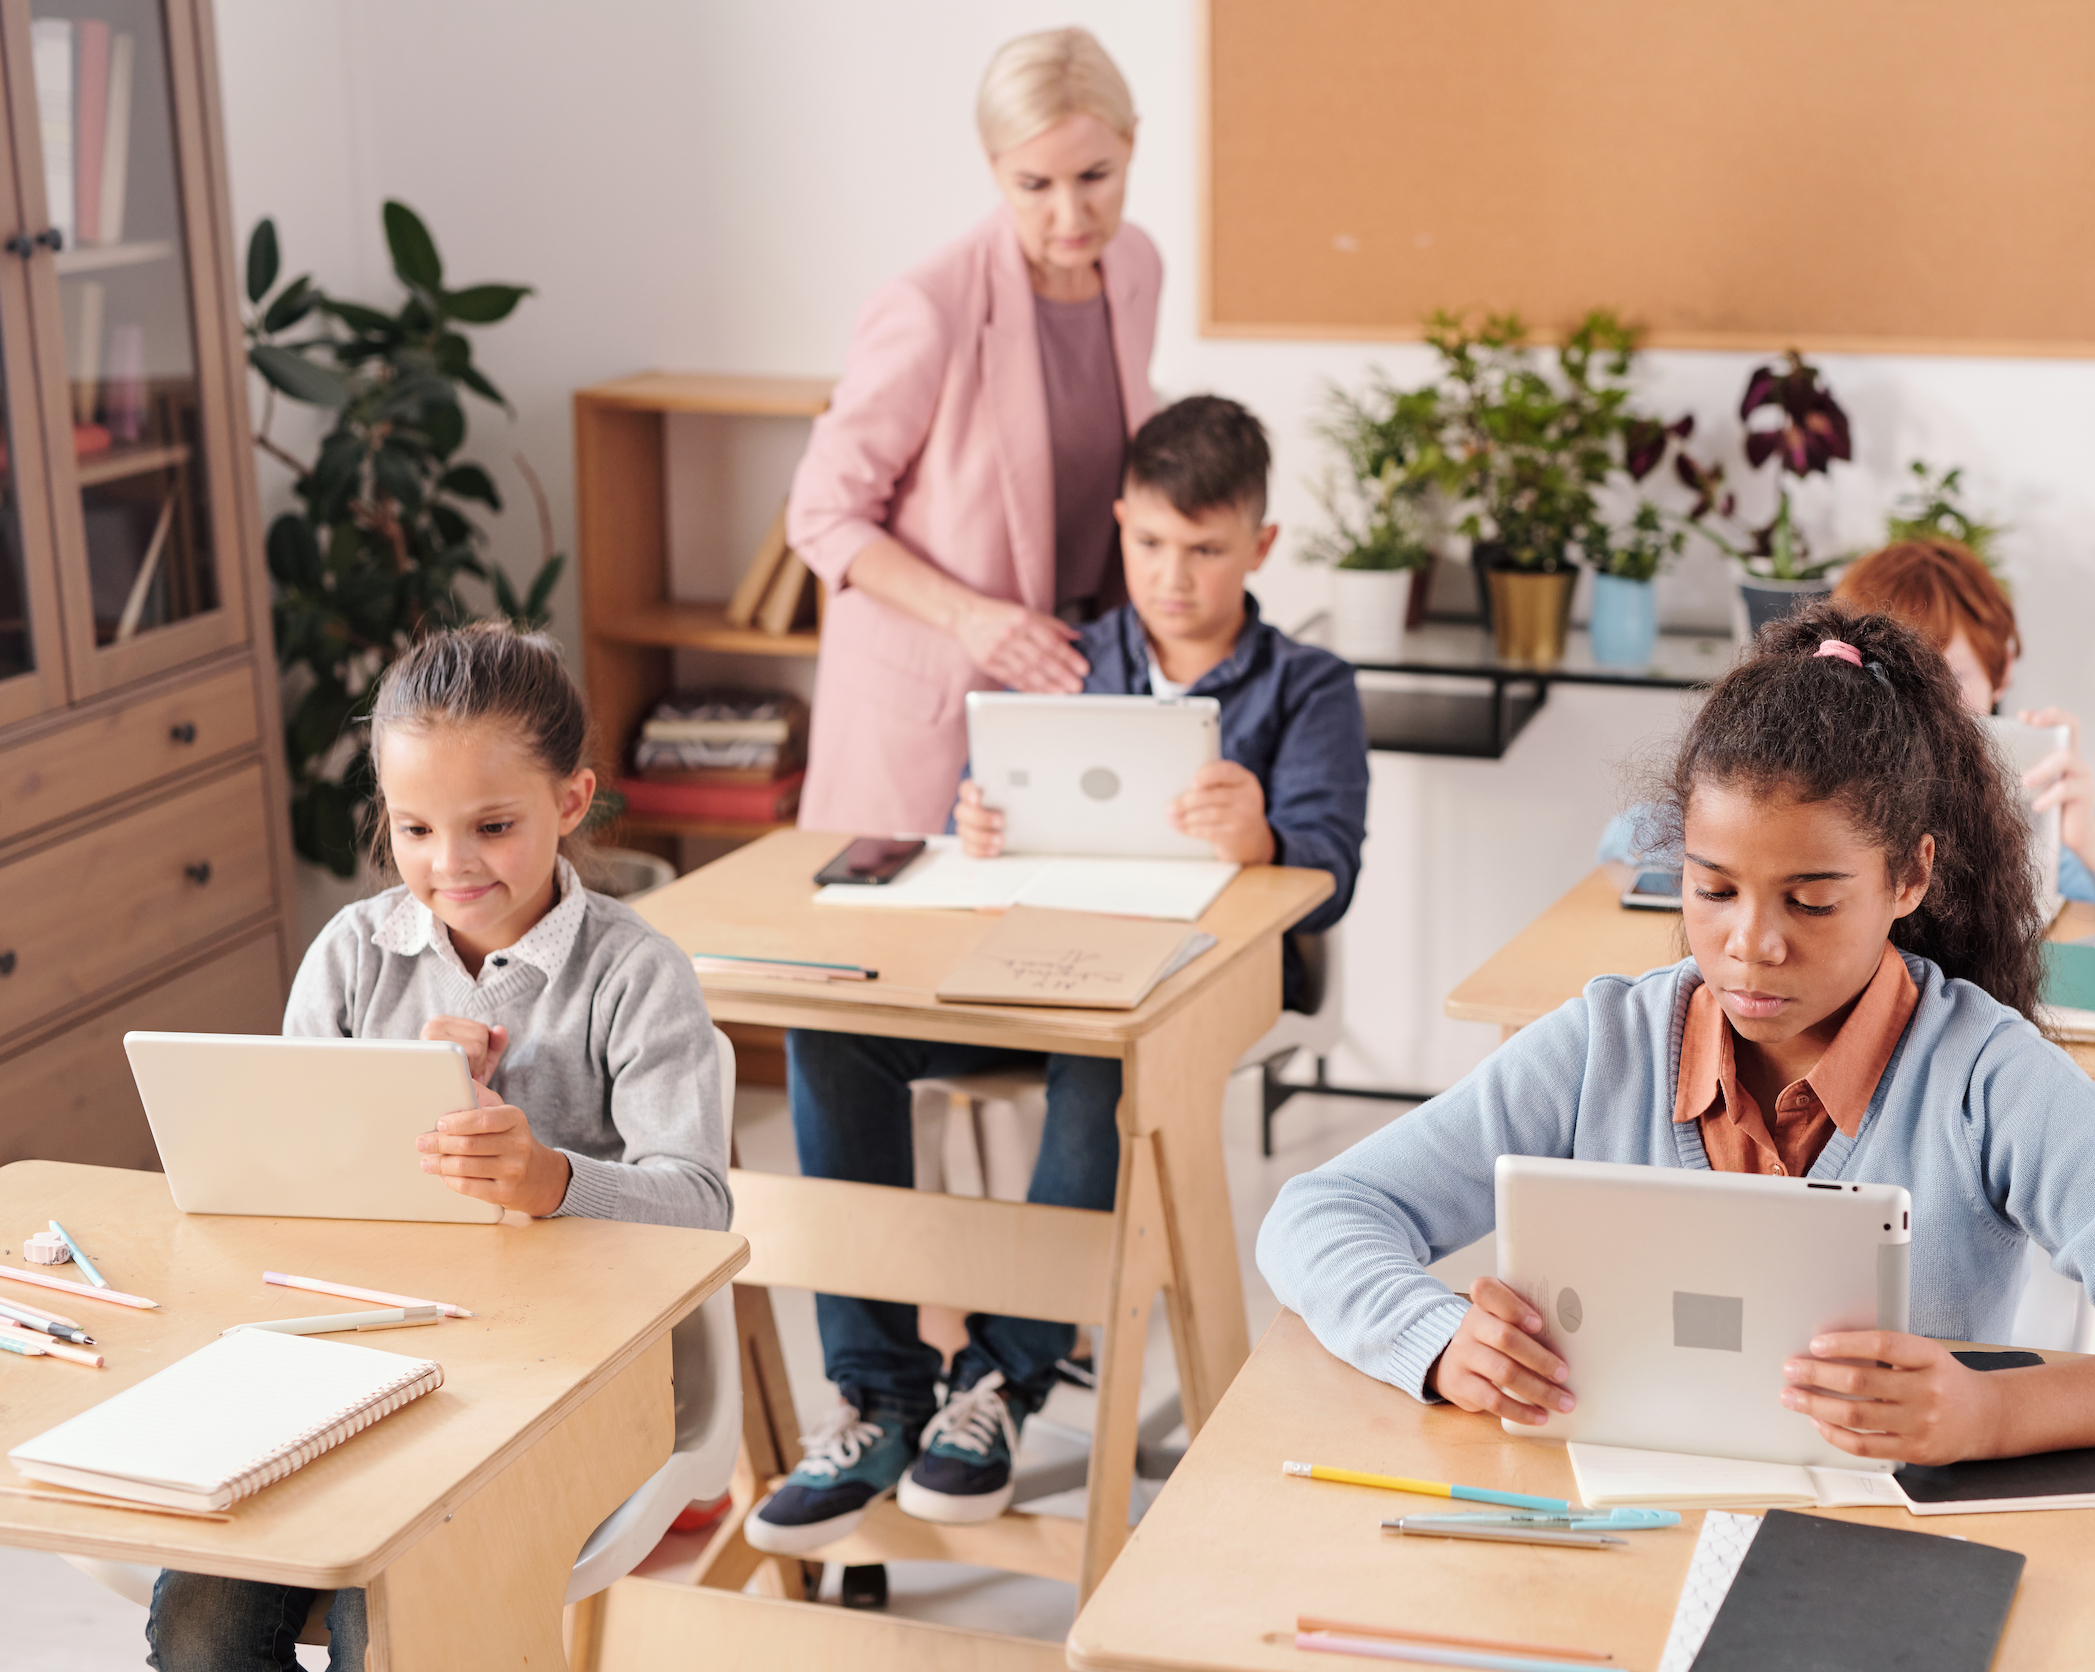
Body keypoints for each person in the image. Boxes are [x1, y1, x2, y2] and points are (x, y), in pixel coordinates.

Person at [1260, 606, 2095, 1465]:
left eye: (1811, 900)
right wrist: (1438, 1340)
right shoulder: (1603, 1045)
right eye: (1713, 891)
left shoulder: (1986, 1079)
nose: (1751, 944)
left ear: (1909, 877)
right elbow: (1319, 1213)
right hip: (1616, 1538)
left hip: (1872, 1582)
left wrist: (1994, 1413)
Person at [750, 395, 1368, 1554]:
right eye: (1150, 544)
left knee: (1104, 1062)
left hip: (1190, 989)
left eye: (1207, 549)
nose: (1173, 576)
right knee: (832, 1034)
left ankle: (1001, 1387)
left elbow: (1330, 870)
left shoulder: (1310, 688)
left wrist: (1267, 839)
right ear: (1122, 524)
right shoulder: (1068, 659)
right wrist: (971, 822)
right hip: (1018, 963)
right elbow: (963, 824)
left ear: (1261, 548)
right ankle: (879, 1396)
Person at [146, 623, 729, 1672]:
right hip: (354, 1358)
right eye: (414, 829)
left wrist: (552, 1180)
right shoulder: (354, 956)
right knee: (200, 1615)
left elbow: (698, 1206)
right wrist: (375, 1101)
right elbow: (269, 1187)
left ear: (571, 801)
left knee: (399, 1610)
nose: (448, 865)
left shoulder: (635, 977)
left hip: (563, 1375)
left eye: (492, 825)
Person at [784, 26, 1161, 837]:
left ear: (1134, 143)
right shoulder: (929, 306)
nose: (1071, 213)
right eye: (1034, 183)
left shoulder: (1136, 269)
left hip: (1077, 690)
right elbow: (820, 515)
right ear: (994, 170)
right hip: (932, 706)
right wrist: (971, 617)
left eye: (1096, 175)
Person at [1601, 537, 2095, 915]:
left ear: (2003, 668)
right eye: (1893, 671)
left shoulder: (2025, 781)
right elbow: (1622, 841)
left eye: (1951, 676)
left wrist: (2086, 838)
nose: (1927, 701)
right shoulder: (1814, 783)